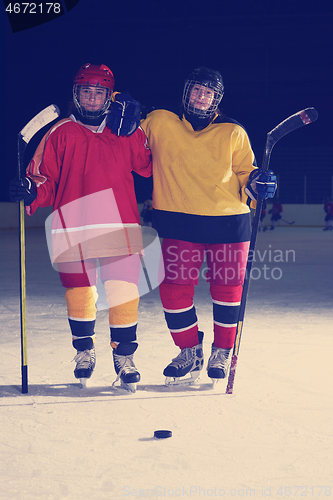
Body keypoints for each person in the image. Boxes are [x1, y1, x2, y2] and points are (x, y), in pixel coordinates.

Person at [9, 63, 152, 392]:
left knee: (123, 292)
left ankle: (124, 356)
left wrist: (136, 130)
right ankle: (85, 351)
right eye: (85, 91)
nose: (91, 98)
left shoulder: (123, 129)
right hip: (73, 226)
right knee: (80, 293)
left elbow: (146, 167)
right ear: (76, 94)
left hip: (120, 224)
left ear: (108, 96)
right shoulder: (59, 132)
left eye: (98, 92)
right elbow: (44, 179)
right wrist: (31, 189)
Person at [137, 66, 277, 385]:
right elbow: (131, 150)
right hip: (177, 222)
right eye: (196, 91)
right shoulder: (159, 121)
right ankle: (189, 350)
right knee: (173, 293)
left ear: (217, 100)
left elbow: (247, 173)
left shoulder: (232, 131)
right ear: (185, 93)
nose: (201, 97)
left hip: (229, 223)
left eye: (209, 93)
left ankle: (223, 351)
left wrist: (259, 182)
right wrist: (124, 118)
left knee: (227, 293)